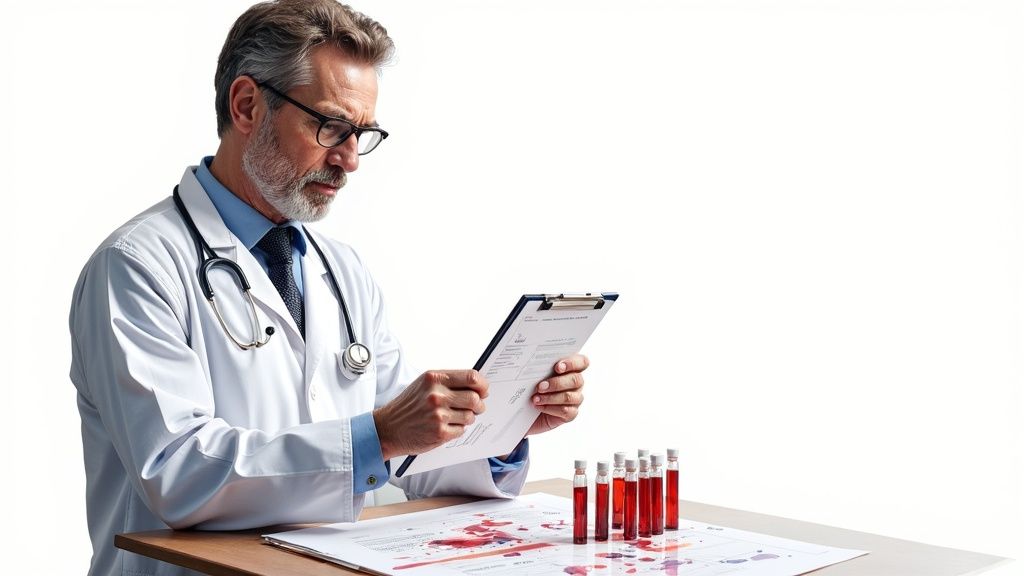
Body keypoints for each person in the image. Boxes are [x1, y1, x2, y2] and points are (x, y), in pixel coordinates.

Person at [68, 1, 589, 575]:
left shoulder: (342, 271)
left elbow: (404, 458)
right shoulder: (137, 265)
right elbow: (177, 473)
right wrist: (376, 436)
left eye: (361, 135)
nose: (349, 161)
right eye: (331, 127)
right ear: (246, 106)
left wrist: (499, 426)